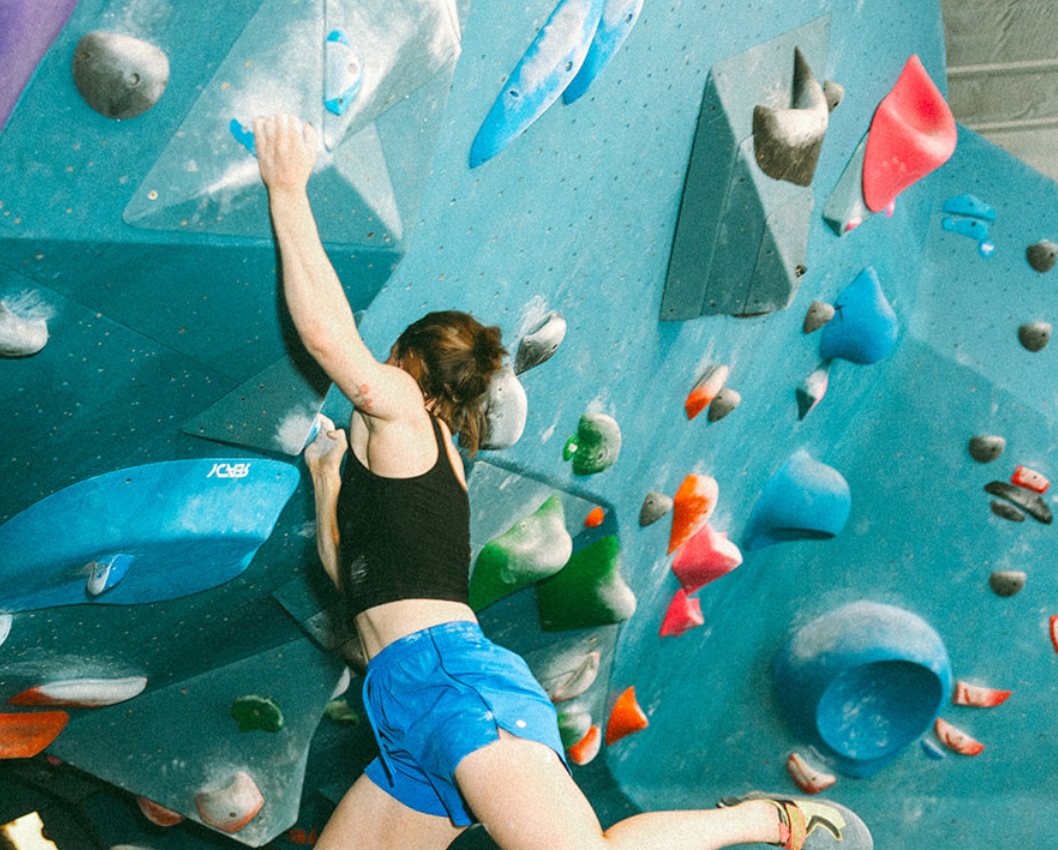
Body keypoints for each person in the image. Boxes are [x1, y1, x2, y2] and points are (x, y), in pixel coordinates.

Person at [250, 112, 871, 850]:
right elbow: (352, 580)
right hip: (408, 703)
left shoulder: (408, 417)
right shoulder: (410, 467)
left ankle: (767, 818)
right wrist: (327, 480)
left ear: (402, 363)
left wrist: (286, 188)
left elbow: (327, 338)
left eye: (380, 371)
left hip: (458, 689)